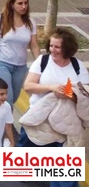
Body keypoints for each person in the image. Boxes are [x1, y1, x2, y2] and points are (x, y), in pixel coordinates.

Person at [21, 27, 89, 158]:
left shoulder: (77, 66)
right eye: (51, 46)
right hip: (39, 118)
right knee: (24, 164)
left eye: (57, 47)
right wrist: (51, 88)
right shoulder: (42, 61)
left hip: (65, 121)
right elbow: (28, 86)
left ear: (67, 48)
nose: (53, 50)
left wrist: (69, 95)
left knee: (62, 168)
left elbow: (85, 95)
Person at [0, 0, 41, 106]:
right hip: (1, 64)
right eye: (20, 3)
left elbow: (34, 46)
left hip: (20, 67)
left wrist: (41, 64)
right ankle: (7, 124)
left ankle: (1, 120)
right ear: (12, 4)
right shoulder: (1, 19)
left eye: (26, 3)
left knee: (13, 99)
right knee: (7, 99)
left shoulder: (30, 23)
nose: (24, 6)